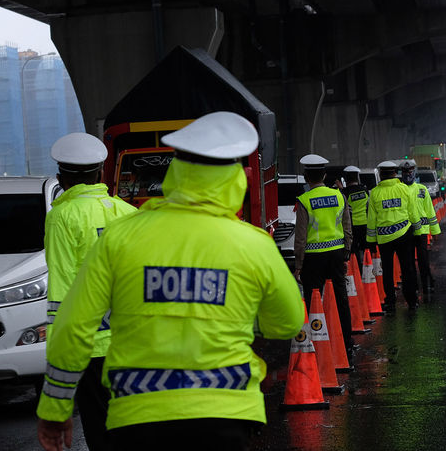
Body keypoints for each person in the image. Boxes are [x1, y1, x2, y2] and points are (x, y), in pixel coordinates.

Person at [36, 112, 303, 451]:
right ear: (237, 177)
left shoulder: (120, 237)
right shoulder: (253, 244)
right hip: (227, 412)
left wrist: (55, 407)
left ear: (175, 170)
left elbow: (71, 327)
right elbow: (288, 321)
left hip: (137, 417)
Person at [44, 133, 138, 451]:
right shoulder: (128, 212)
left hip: (93, 349)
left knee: (102, 434)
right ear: (100, 173)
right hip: (134, 345)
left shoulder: (61, 218)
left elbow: (61, 292)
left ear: (61, 178)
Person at [293, 154, 355, 365]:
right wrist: (346, 250)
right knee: (341, 298)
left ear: (306, 177)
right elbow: (347, 226)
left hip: (313, 259)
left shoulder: (304, 201)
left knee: (314, 301)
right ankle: (347, 344)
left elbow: (300, 237)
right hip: (337, 255)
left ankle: (319, 347)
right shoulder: (339, 196)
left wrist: (298, 266)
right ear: (325, 175)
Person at [366, 160, 421, 313]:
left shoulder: (374, 193)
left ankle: (390, 302)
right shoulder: (404, 189)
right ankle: (412, 301)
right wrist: (417, 231)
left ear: (381, 175)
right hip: (404, 235)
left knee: (388, 271)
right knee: (407, 269)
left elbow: (371, 220)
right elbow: (413, 212)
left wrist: (371, 241)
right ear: (395, 173)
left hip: (384, 239)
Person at [400, 160, 440, 299]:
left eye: (410, 171)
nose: (408, 174)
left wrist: (434, 231)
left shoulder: (422, 189)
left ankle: (428, 284)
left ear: (414, 172)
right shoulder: (399, 190)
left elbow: (430, 211)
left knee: (423, 261)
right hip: (407, 232)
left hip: (422, 232)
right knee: (409, 263)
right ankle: (414, 288)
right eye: (405, 172)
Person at [342, 165, 370, 267]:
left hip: (353, 226)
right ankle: (369, 268)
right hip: (365, 224)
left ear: (346, 178)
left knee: (354, 250)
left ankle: (358, 269)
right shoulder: (364, 190)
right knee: (367, 249)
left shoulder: (345, 192)